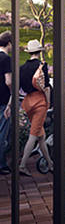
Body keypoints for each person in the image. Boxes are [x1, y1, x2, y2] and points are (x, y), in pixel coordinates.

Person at [18, 40, 52, 176]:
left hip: (28, 102)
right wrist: (48, 102)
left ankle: (50, 163)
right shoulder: (41, 66)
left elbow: (19, 86)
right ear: (39, 51)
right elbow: (47, 87)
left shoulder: (22, 67)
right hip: (39, 102)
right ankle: (22, 165)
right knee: (33, 135)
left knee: (40, 136)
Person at [0, 31, 13, 175]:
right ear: (8, 43)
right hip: (3, 99)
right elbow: (8, 81)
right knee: (2, 133)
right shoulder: (5, 59)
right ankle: (2, 165)